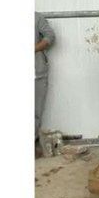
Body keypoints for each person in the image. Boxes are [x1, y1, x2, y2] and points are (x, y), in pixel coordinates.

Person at [35, 12, 56, 155]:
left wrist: (33, 48)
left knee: (35, 111)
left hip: (37, 72)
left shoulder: (36, 17)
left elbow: (50, 36)